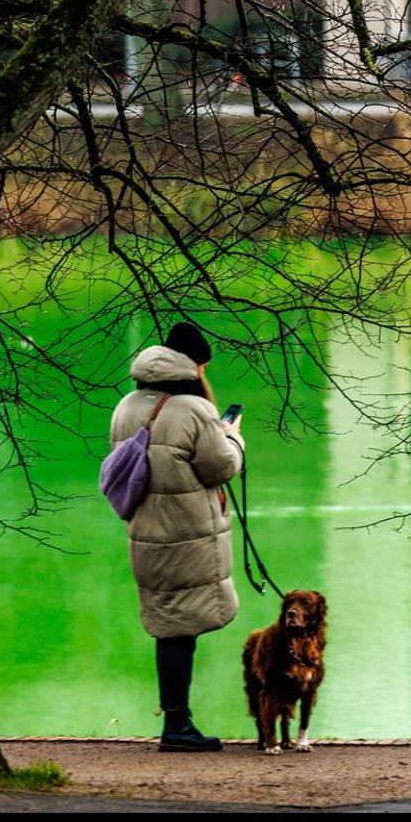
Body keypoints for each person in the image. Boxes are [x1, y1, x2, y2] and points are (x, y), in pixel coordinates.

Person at [109, 321, 246, 752]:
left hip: (146, 532)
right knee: (180, 628)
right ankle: (177, 727)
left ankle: (176, 721)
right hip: (186, 534)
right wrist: (234, 440)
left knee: (170, 623)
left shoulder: (127, 405)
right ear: (195, 365)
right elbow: (219, 467)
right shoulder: (194, 409)